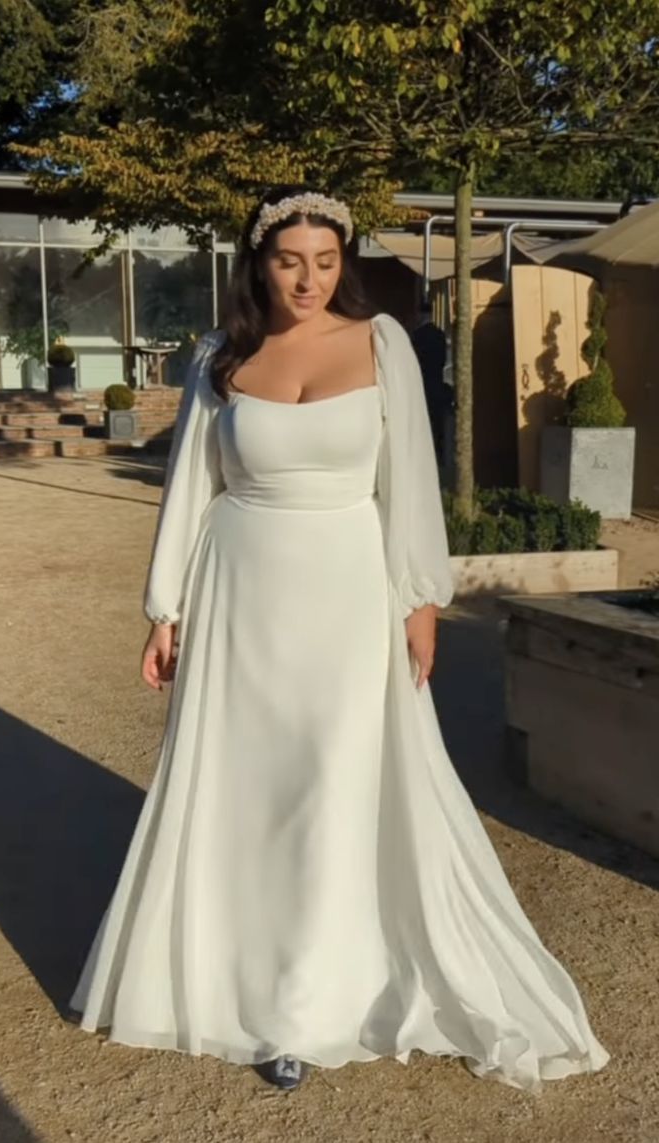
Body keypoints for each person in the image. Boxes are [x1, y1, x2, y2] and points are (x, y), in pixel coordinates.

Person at [69, 187, 609, 1094]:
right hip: (242, 586)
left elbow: (408, 481)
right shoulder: (220, 354)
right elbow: (191, 491)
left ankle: (306, 1003)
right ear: (260, 264)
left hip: (350, 589)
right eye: (290, 261)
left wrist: (421, 599)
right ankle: (237, 982)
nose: (309, 279)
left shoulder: (383, 343)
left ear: (343, 263)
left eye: (326, 262)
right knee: (247, 782)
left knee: (333, 780)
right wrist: (166, 611)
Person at [410, 303, 452, 468]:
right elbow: (443, 360)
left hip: (422, 383)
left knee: (424, 422)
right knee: (438, 422)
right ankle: (440, 454)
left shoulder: (417, 336)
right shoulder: (439, 334)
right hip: (436, 382)